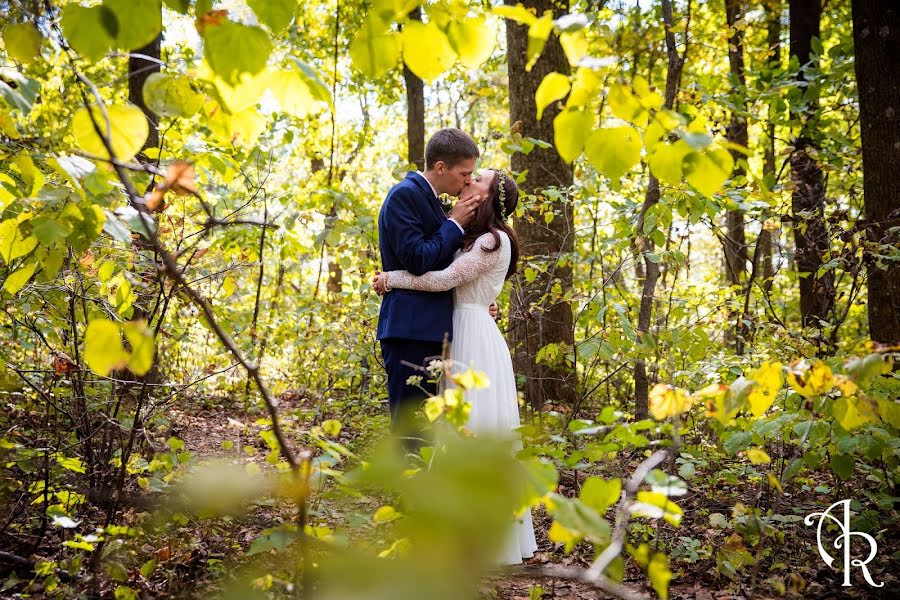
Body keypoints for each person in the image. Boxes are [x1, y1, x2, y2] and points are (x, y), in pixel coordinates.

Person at [373, 169, 538, 565]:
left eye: (478, 178)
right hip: (459, 329)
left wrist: (391, 278)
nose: (470, 180)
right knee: (448, 427)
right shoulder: (470, 235)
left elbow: (446, 279)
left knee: (476, 426)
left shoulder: (493, 240)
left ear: (487, 197)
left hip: (475, 336)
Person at [375, 128, 486, 449]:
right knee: (410, 430)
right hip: (409, 329)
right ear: (440, 167)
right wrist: (454, 223)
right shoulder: (404, 195)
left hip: (432, 331)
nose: (468, 181)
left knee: (427, 430)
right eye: (464, 174)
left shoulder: (434, 202)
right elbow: (418, 259)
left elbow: (447, 267)